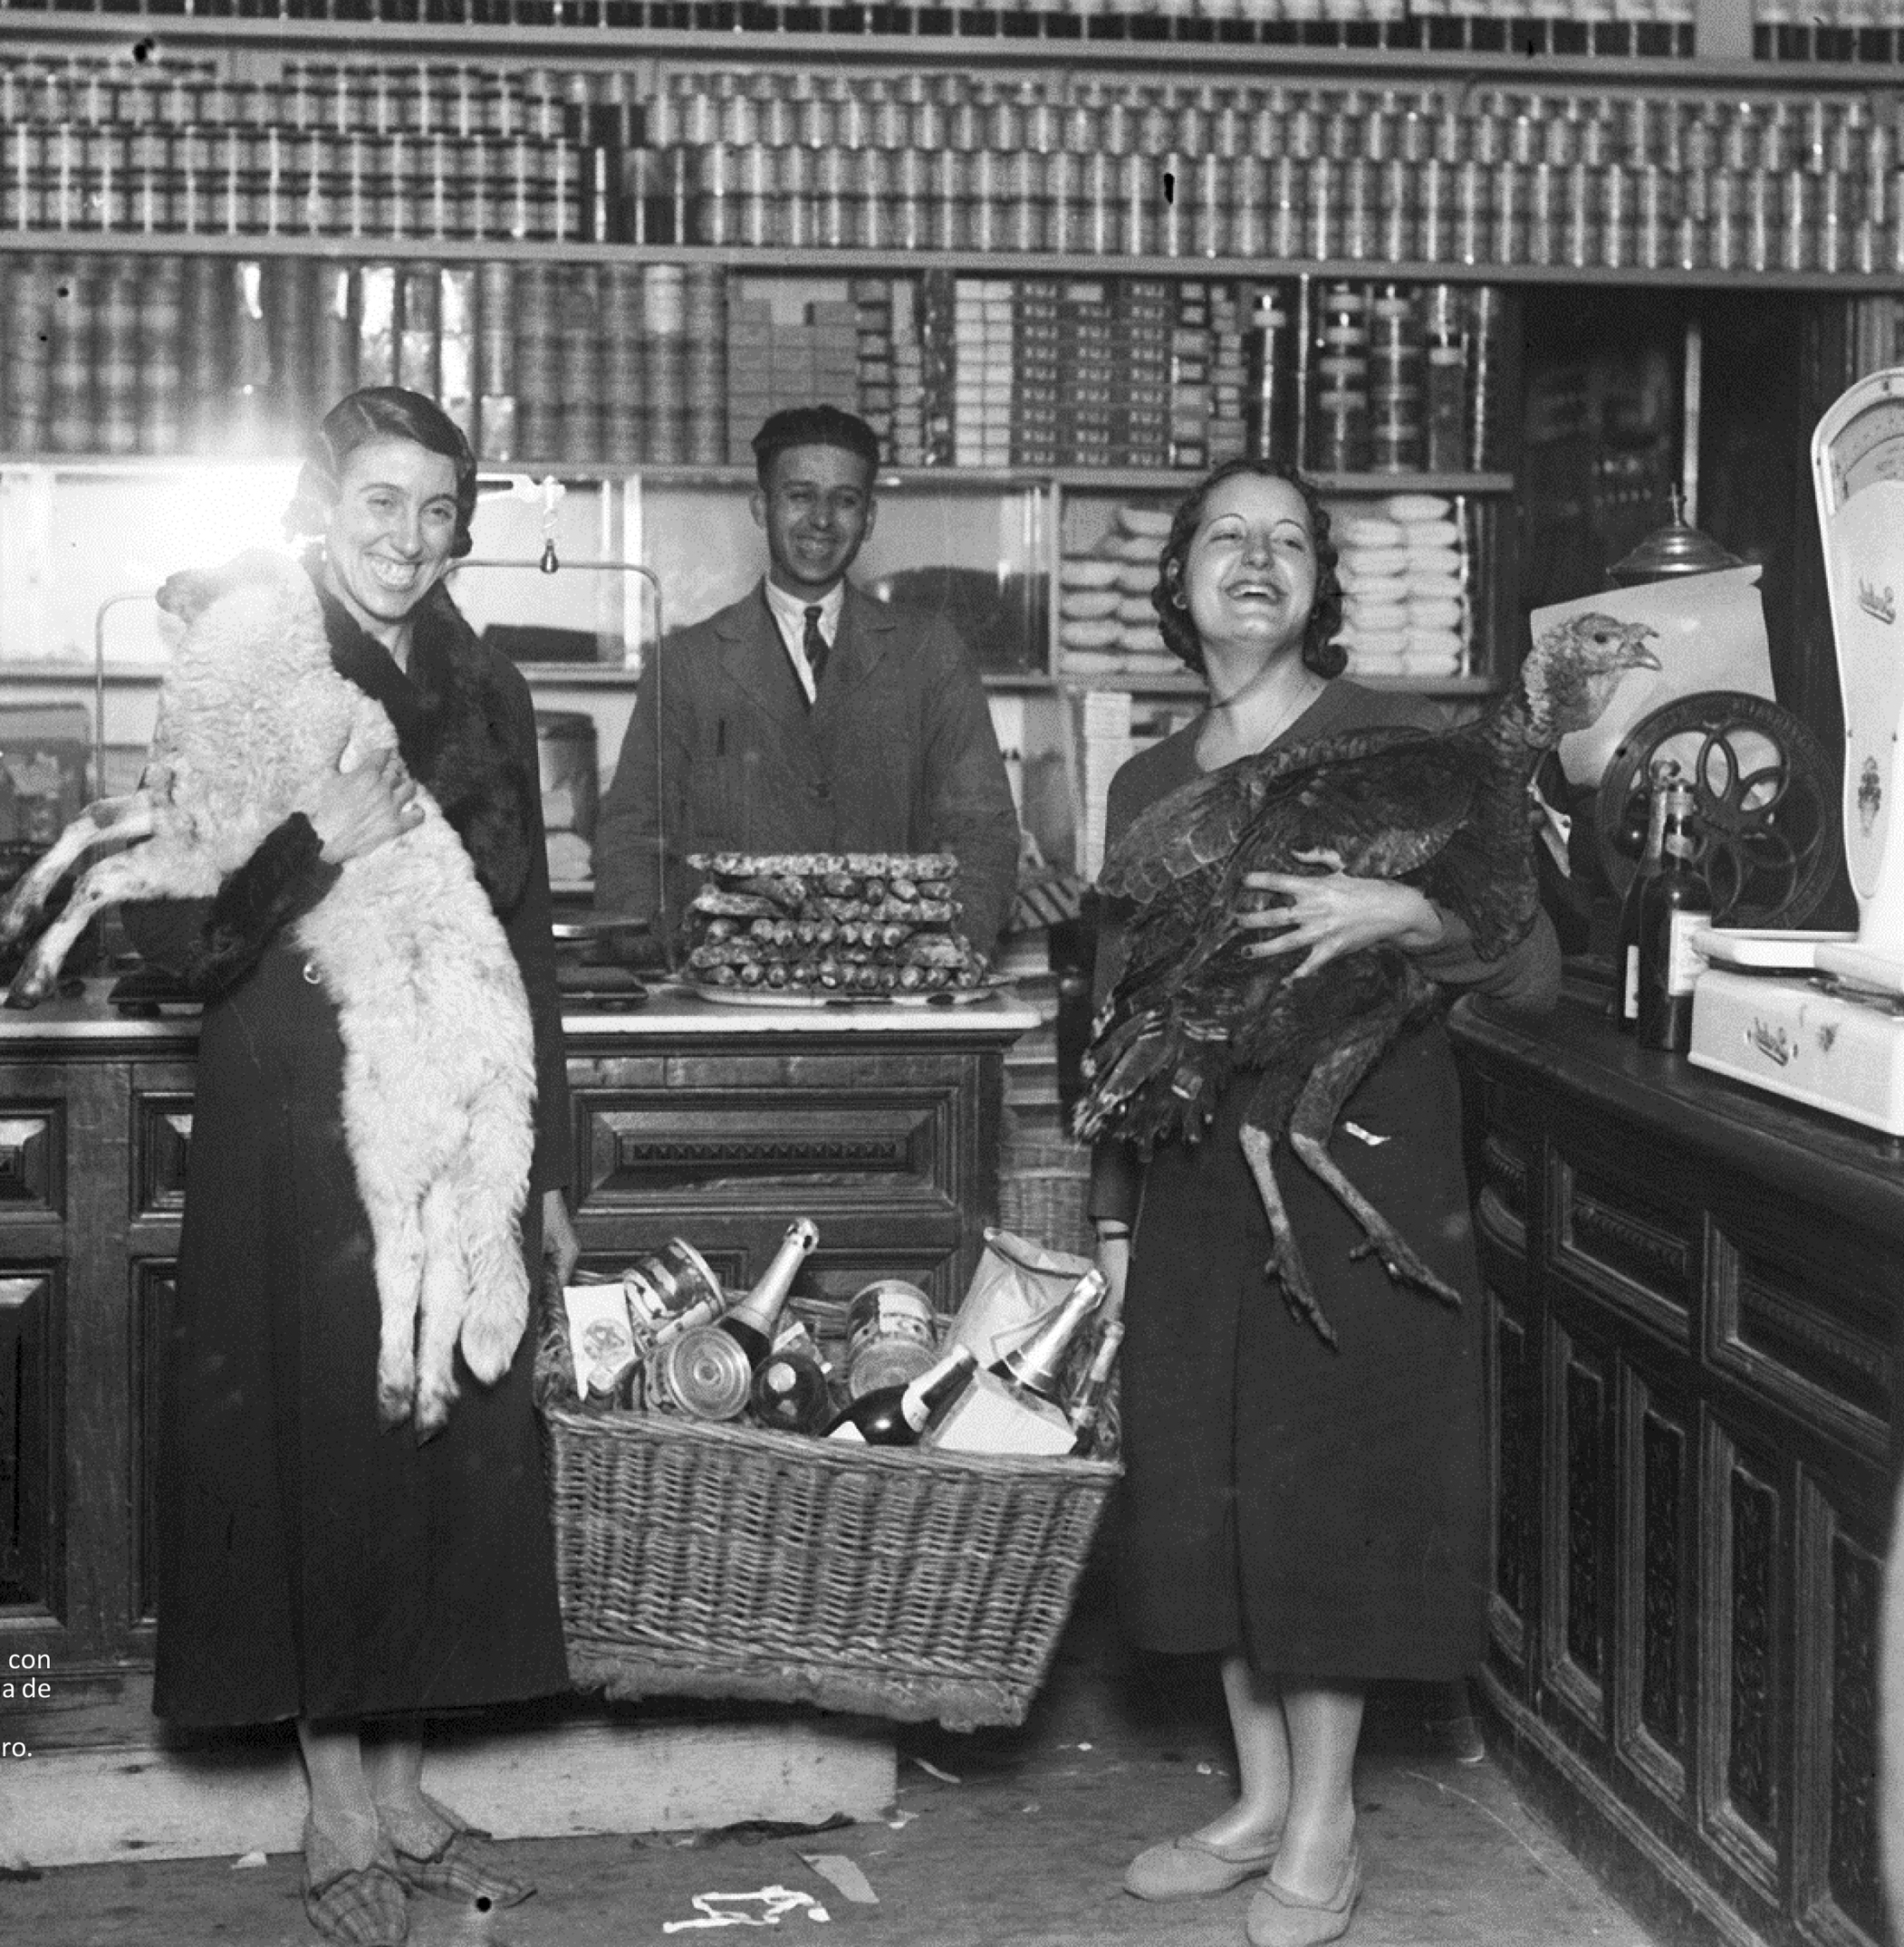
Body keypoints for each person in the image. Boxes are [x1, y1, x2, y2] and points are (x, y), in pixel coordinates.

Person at [124, 388, 579, 1947]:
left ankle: (402, 1787)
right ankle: (334, 1807)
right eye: (381, 501)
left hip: (456, 1106)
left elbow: (526, 935)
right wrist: (315, 835)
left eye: (438, 509)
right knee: (330, 1443)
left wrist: (545, 1162)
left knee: (438, 1443)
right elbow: (171, 936)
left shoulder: (486, 683)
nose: (409, 536)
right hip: (299, 1110)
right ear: (321, 505)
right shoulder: (244, 661)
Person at [1087, 456, 1560, 1947]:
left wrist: (1406, 912)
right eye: (1226, 537)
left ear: (1317, 585)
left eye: (1287, 540)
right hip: (1194, 1173)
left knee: (1318, 1489)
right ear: (1179, 581)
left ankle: (1323, 1822)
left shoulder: (1398, 745)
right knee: (1211, 1479)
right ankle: (1254, 1799)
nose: (1256, 558)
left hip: (1355, 1157)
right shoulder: (1144, 785)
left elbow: (1531, 965)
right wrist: (1112, 1219)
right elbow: (1116, 1020)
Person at [591, 403, 1020, 964]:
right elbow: (633, 835)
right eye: (799, 496)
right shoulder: (688, 662)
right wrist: (656, 962)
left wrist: (947, 956)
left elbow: (983, 830)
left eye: (845, 500)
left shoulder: (930, 652)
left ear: (869, 518)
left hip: (889, 985)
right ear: (761, 507)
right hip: (727, 984)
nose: (821, 520)